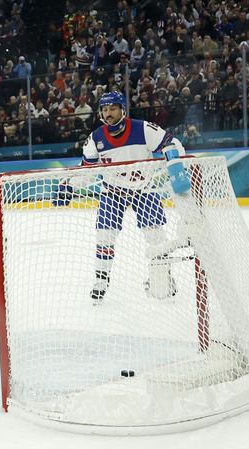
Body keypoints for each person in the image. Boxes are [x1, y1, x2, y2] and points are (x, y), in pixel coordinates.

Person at [81, 91, 185, 301]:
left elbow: (174, 144)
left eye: (112, 108)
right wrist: (68, 186)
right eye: (104, 109)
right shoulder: (95, 138)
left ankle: (162, 278)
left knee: (156, 237)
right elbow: (85, 170)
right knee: (104, 236)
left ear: (122, 109)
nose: (108, 113)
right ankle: (101, 280)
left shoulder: (143, 128)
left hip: (144, 189)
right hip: (113, 191)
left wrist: (172, 157)